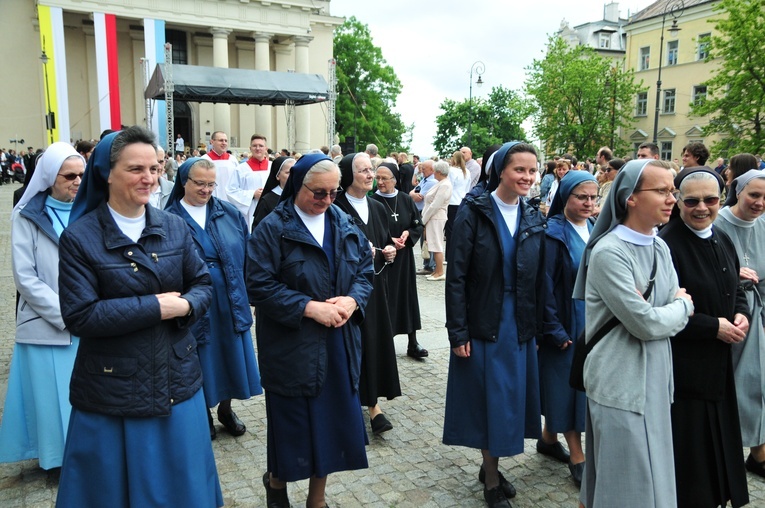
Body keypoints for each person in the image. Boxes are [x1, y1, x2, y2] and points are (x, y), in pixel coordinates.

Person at [55, 126, 222, 507]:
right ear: (106, 173)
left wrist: (188, 304)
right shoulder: (80, 237)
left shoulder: (174, 227)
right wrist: (158, 306)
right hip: (113, 389)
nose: (149, 178)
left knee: (182, 488)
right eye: (135, 169)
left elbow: (202, 284)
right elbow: (81, 315)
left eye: (155, 168)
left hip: (176, 380)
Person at [247, 153, 373, 508]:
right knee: (292, 426)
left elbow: (364, 272)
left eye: (333, 192)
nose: (327, 200)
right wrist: (308, 307)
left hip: (338, 343)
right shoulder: (272, 228)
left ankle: (316, 499)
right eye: (319, 192)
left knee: (332, 425)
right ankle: (277, 482)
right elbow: (257, 285)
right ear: (296, 184)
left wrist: (352, 301)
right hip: (293, 345)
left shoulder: (343, 221)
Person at [573, 158, 694, 508]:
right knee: (624, 483)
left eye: (672, 190)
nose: (672, 198)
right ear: (631, 198)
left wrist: (663, 310)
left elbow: (655, 316)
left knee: (650, 475)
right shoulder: (609, 252)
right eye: (662, 191)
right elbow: (647, 323)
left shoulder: (660, 246)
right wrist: (682, 305)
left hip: (655, 377)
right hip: (619, 382)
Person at [444, 142, 545, 508]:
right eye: (520, 170)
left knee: (508, 403)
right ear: (500, 170)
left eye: (533, 171)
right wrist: (458, 331)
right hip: (484, 322)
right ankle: (490, 477)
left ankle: (493, 466)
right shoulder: (474, 211)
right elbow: (455, 276)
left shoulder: (534, 215)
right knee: (489, 402)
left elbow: (539, 280)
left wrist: (535, 329)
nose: (528, 177)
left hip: (518, 323)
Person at [659, 167, 749, 508]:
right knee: (690, 466)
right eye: (692, 200)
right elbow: (663, 311)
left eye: (710, 200)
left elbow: (735, 286)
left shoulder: (721, 236)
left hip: (719, 368)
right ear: (678, 201)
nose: (702, 208)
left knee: (718, 457)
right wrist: (715, 327)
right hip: (684, 374)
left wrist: (742, 313)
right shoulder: (667, 244)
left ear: (721, 199)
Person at [0, 142, 85, 471]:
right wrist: (67, 314)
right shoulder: (26, 215)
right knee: (52, 400)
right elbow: (25, 277)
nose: (77, 182)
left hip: (87, 319)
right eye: (70, 176)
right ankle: (57, 461)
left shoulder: (89, 209)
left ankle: (88, 454)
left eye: (82, 175)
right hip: (49, 323)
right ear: (49, 176)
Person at [165, 157, 262, 440]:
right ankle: (203, 414)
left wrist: (249, 293)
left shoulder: (228, 212)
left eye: (211, 184)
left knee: (229, 354)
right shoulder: (169, 218)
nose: (207, 190)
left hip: (230, 297)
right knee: (200, 357)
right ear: (184, 182)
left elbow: (246, 253)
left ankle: (225, 408)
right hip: (194, 302)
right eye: (200, 184)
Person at [538, 170, 598, 487]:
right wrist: (554, 328)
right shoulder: (553, 232)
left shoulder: (595, 228)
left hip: (592, 320)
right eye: (581, 197)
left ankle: (549, 438)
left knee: (582, 388)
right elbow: (544, 287)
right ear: (566, 197)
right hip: (565, 319)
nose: (588, 203)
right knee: (566, 388)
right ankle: (577, 455)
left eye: (592, 197)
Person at [335, 153, 400, 433]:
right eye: (363, 170)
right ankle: (348, 403)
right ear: (349, 175)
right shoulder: (336, 206)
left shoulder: (378, 206)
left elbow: (386, 240)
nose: (370, 174)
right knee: (350, 344)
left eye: (371, 169)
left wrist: (390, 251)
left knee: (374, 341)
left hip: (375, 286)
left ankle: (373, 405)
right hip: (345, 289)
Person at [714, 169, 765, 479]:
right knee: (740, 383)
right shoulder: (718, 222)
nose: (760, 203)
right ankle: (740, 448)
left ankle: (758, 449)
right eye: (754, 195)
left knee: (759, 383)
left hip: (759, 311)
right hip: (730, 312)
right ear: (738, 192)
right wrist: (734, 274)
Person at [371, 161, 428, 360]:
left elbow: (417, 224)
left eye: (384, 178)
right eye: (377, 178)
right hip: (383, 259)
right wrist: (388, 239)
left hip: (404, 260)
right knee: (385, 299)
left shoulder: (405, 199)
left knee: (407, 297)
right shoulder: (372, 201)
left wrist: (407, 233)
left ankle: (413, 343)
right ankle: (384, 344)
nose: (379, 182)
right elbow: (370, 229)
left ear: (395, 180)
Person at [227, 134, 272, 229]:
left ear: (266, 148)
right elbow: (231, 191)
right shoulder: (241, 169)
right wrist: (252, 194)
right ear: (250, 148)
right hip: (250, 209)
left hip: (270, 208)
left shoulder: (273, 167)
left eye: (261, 146)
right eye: (254, 146)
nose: (258, 148)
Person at [421, 160, 452, 281]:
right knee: (433, 244)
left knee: (436, 244)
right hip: (434, 217)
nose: (433, 173)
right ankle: (436, 271)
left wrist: (424, 219)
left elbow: (435, 205)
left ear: (439, 172)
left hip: (436, 217)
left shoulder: (445, 185)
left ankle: (440, 272)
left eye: (434, 171)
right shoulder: (441, 183)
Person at [251, 156, 295, 230]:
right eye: (288, 172)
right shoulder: (267, 201)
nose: (293, 176)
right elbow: (259, 231)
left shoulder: (301, 196)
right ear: (278, 176)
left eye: (294, 172)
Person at [410, 159, 437, 275]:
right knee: (424, 239)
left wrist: (412, 194)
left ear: (432, 170)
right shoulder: (425, 179)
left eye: (424, 169)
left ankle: (430, 265)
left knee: (427, 239)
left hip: (425, 212)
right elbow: (412, 192)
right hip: (421, 210)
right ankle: (428, 264)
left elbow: (417, 197)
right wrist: (412, 193)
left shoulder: (431, 182)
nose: (422, 171)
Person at [445, 150, 471, 258]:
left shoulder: (452, 171)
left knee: (450, 230)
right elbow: (468, 187)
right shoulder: (467, 171)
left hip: (452, 201)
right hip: (461, 200)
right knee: (458, 229)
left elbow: (449, 186)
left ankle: (449, 253)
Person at [203, 131, 238, 202]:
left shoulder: (232, 159)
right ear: (212, 142)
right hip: (212, 199)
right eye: (221, 140)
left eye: (226, 141)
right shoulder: (204, 160)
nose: (224, 143)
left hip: (231, 200)